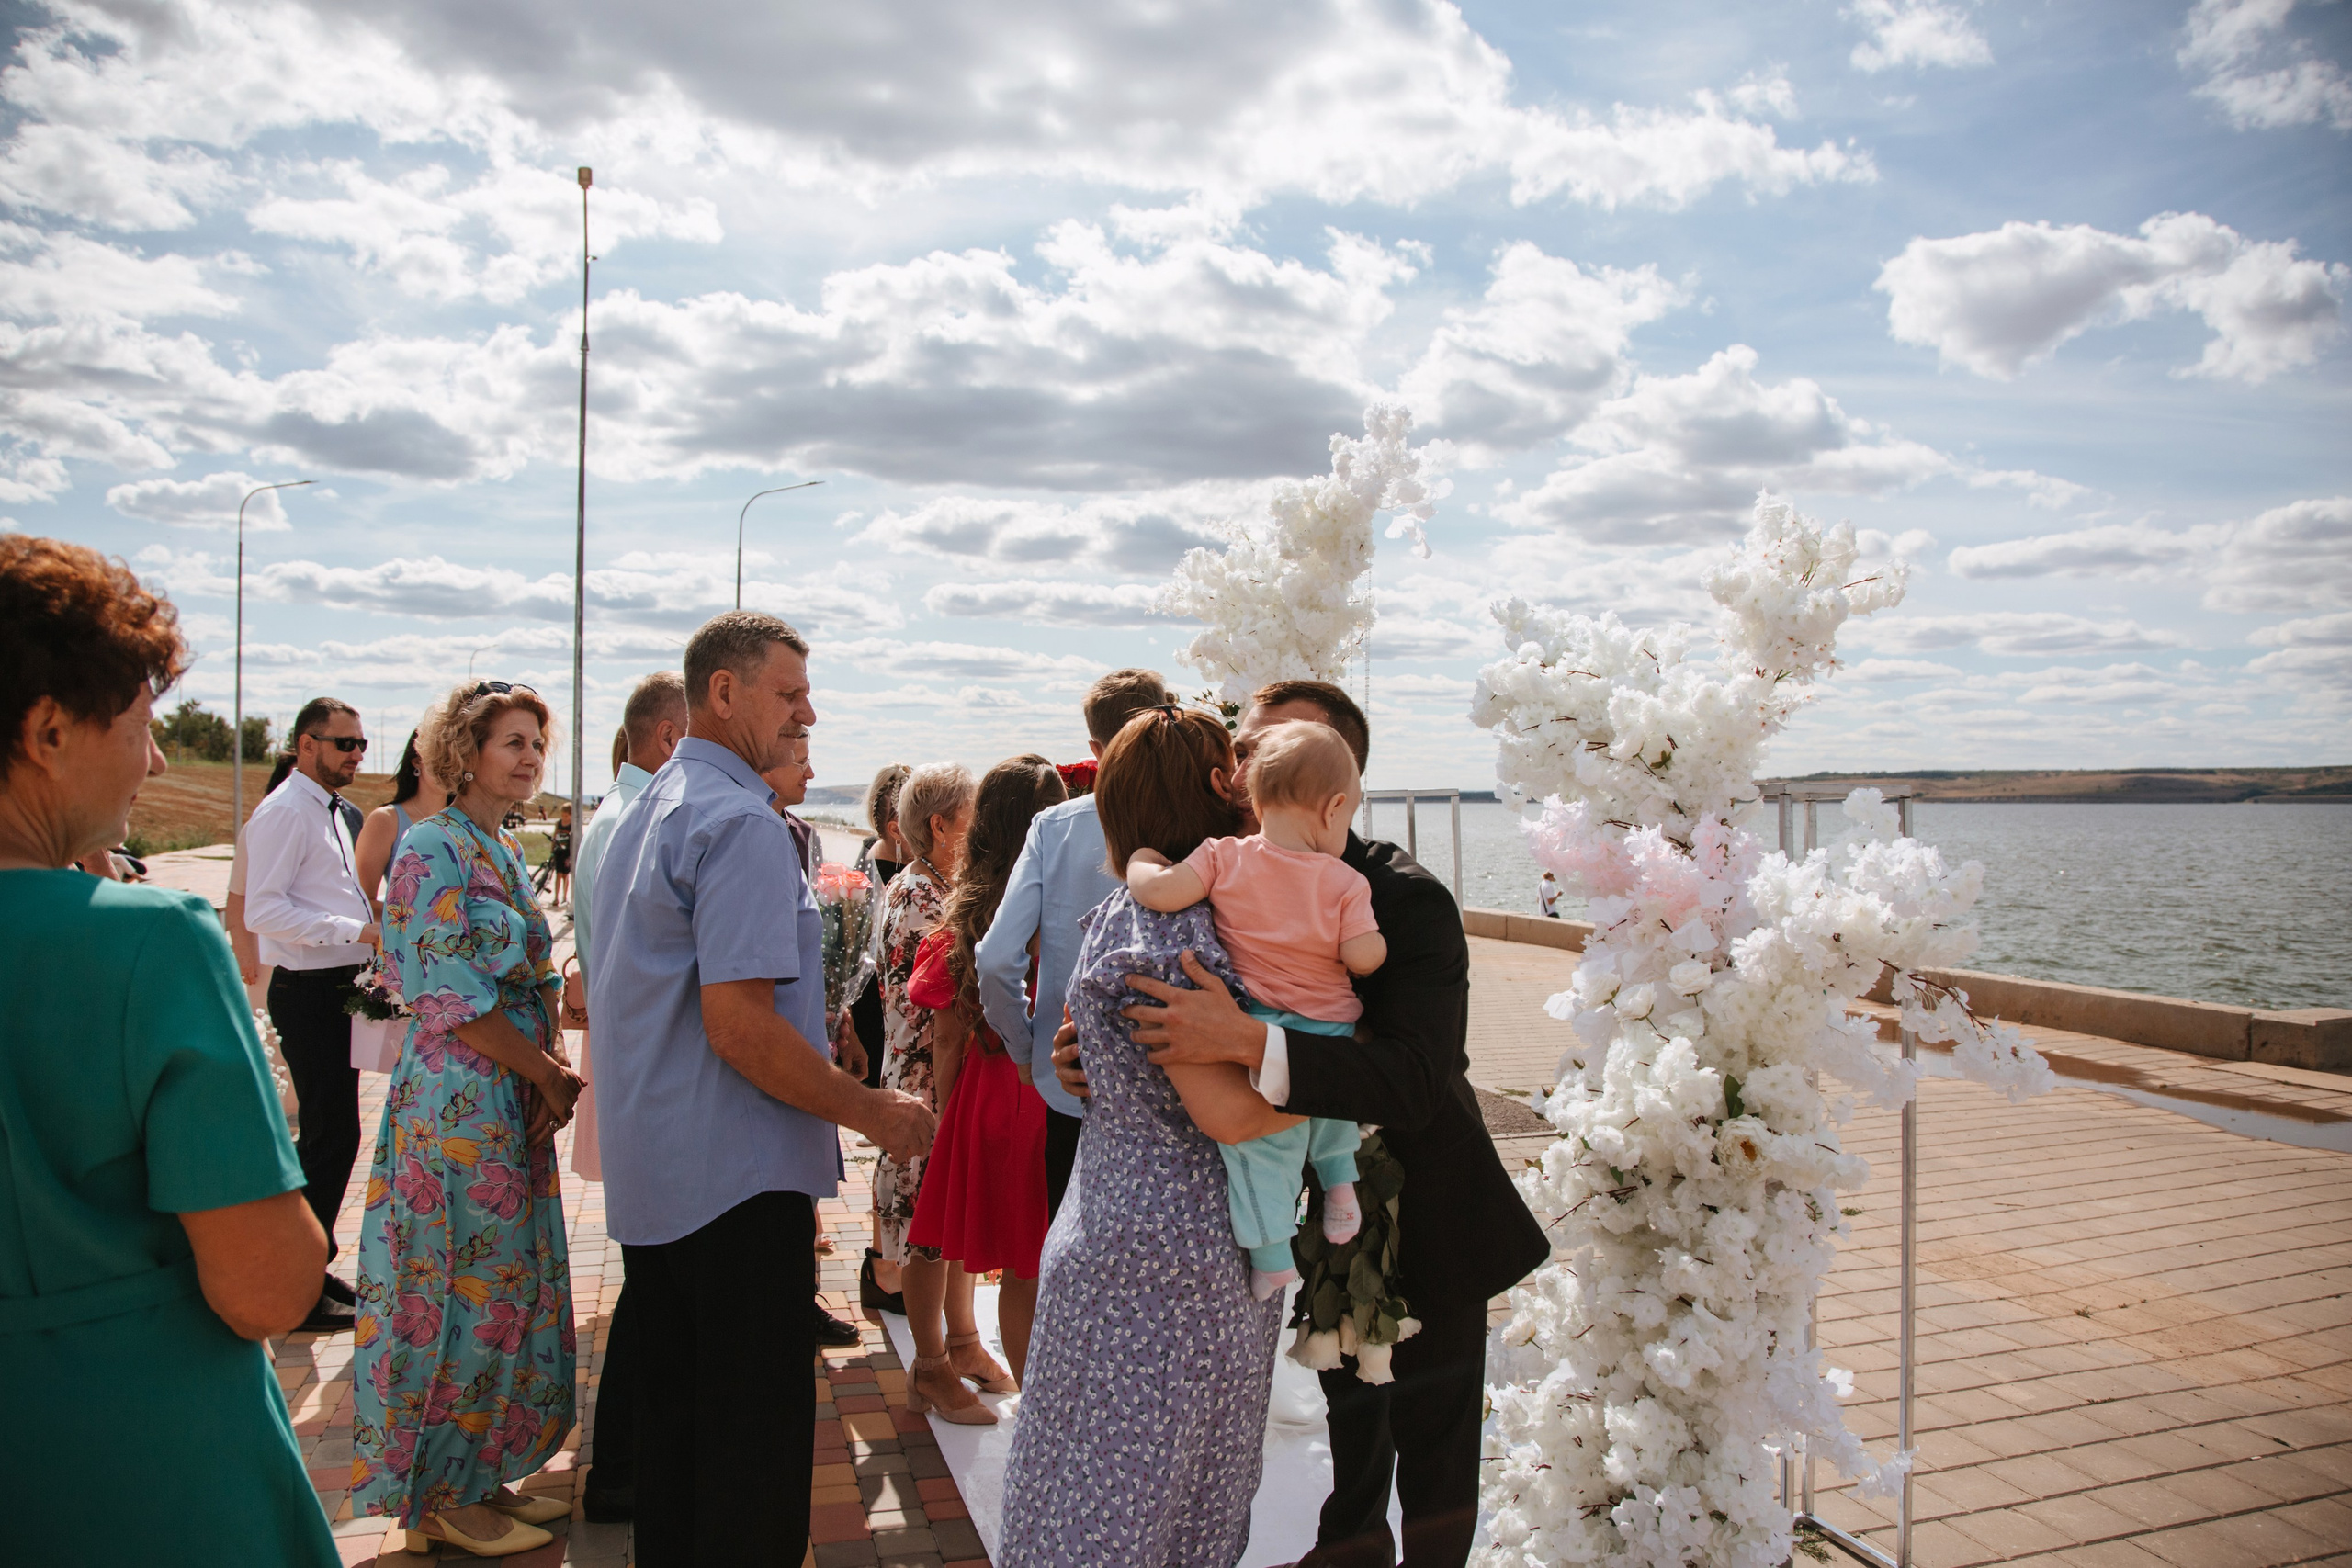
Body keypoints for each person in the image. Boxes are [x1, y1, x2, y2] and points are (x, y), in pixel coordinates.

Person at [1069, 679, 1552, 1568]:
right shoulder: (1235, 872)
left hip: (1427, 1211)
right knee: (1351, 1430)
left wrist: (1252, 1042)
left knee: (1437, 1448)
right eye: (1243, 752)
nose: (1244, 768)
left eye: (1271, 749)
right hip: (1318, 1210)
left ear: (1341, 781)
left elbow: (1414, 1077)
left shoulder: (1405, 899)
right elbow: (1174, 996)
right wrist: (1104, 1051)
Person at [0, 535, 341, 1566]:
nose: (154, 762)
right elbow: (271, 1288)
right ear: (49, 729)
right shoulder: (145, 939)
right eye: (143, 728)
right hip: (133, 1454)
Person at [588, 609, 933, 1568]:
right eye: (788, 694)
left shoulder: (654, 802)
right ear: (725, 692)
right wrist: (876, 1114)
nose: (806, 712)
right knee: (750, 1459)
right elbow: (735, 1027)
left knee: (679, 1442)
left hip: (662, 1173)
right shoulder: (737, 821)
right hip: (732, 1183)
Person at [998, 705, 1302, 1567]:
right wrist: (1352, 1080)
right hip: (1167, 1266)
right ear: (1213, 784)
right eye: (1234, 766)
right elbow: (1230, 1113)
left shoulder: (1143, 907)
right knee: (1130, 1511)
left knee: (1115, 1493)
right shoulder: (1170, 927)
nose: (1250, 783)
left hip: (1138, 1241)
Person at [351, 680, 583, 1558]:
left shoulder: (500, 845)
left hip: (507, 1090)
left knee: (503, 1288)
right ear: (464, 753)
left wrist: (543, 1076)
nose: (528, 757)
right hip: (458, 1100)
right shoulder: (429, 849)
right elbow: (449, 994)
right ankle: (434, 1497)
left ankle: (478, 1472)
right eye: (511, 742)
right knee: (450, 1288)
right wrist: (548, 1075)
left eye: (535, 742)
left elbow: (532, 973)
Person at [1125, 720, 1383, 1301]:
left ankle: (1271, 1257)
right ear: (1334, 807)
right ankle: (1341, 1190)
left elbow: (1161, 892)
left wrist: (1140, 859)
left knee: (1262, 1148)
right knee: (1333, 1100)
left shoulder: (1222, 856)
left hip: (1262, 1023)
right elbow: (1363, 957)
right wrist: (1368, 946)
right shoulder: (1346, 882)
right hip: (1332, 1024)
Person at [560, 670, 687, 1527]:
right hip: (653, 1070)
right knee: (658, 1279)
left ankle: (627, 1463)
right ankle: (622, 1469)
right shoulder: (638, 818)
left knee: (657, 1276)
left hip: (635, 1063)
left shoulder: (619, 813)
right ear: (674, 738)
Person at [976, 668, 1172, 1222]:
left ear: (1095, 746)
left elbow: (995, 960)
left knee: (1075, 1247)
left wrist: (1024, 1049)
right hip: (1179, 1082)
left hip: (1076, 1078)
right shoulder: (1204, 823)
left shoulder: (1053, 828)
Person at [905, 753, 1062, 1383]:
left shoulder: (963, 918)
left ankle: (1028, 1398)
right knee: (1038, 1259)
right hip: (1050, 1088)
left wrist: (949, 1116)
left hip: (988, 1091)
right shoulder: (1063, 909)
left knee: (1015, 1265)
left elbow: (946, 1038)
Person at [876, 761, 1017, 1424]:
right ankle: (929, 1363)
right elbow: (943, 1007)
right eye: (971, 816)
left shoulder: (935, 885)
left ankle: (961, 1341)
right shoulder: (920, 899)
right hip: (925, 1083)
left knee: (951, 1219)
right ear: (941, 826)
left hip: (939, 1076)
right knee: (927, 1229)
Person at [242, 694, 379, 1334]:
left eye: (360, 744)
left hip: (336, 985)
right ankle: (295, 1277)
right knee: (329, 1135)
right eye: (342, 743)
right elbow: (262, 910)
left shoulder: (328, 810)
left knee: (335, 1133)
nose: (354, 754)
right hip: (307, 988)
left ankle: (307, 1264)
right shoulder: (285, 813)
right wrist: (354, 929)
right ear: (305, 744)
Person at [761, 738, 872, 1354]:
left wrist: (840, 1013)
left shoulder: (802, 833)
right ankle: (793, 1301)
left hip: (813, 1028)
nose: (812, 770)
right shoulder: (747, 832)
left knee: (805, 1186)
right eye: (799, 758)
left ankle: (804, 1296)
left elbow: (824, 941)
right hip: (773, 1045)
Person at [354, 729, 447, 908]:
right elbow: (361, 902)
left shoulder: (466, 823)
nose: (450, 766)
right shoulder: (386, 820)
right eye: (441, 756)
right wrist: (422, 919)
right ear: (416, 761)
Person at [548, 803, 573, 907]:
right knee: (558, 874)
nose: (564, 818)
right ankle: (556, 897)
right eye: (562, 815)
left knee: (565, 875)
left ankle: (565, 897)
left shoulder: (572, 825)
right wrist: (552, 848)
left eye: (566, 816)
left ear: (570, 815)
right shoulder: (558, 823)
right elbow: (555, 835)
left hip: (567, 853)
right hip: (558, 852)